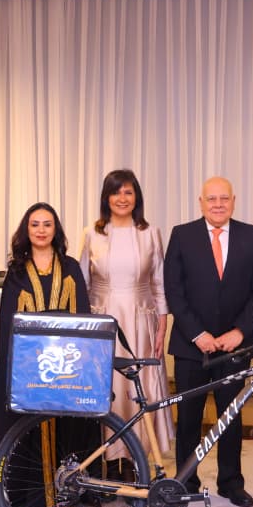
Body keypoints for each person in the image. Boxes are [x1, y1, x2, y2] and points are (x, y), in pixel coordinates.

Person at [163, 177, 253, 507]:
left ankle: (231, 483)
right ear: (201, 202)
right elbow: (174, 291)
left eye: (224, 198)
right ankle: (185, 482)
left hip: (235, 346)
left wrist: (239, 332)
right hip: (190, 346)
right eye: (212, 199)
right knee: (188, 419)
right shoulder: (182, 235)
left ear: (233, 201)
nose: (218, 204)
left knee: (231, 417)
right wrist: (198, 334)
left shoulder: (252, 236)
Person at [0, 202, 90, 507]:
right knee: (26, 424)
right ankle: (28, 496)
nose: (41, 230)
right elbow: (8, 322)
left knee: (67, 423)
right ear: (26, 230)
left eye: (47, 224)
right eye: (35, 224)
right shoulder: (17, 271)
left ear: (56, 229)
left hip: (67, 364)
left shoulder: (71, 267)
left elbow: (82, 316)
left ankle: (69, 491)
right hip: (30, 365)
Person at [78, 169, 173, 461]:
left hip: (141, 323)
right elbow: (83, 284)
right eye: (116, 192)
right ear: (106, 197)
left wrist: (161, 328)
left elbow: (159, 285)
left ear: (137, 197)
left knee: (140, 388)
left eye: (128, 192)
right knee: (108, 387)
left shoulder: (150, 233)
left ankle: (137, 459)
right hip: (103, 322)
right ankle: (106, 460)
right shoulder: (92, 233)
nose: (122, 198)